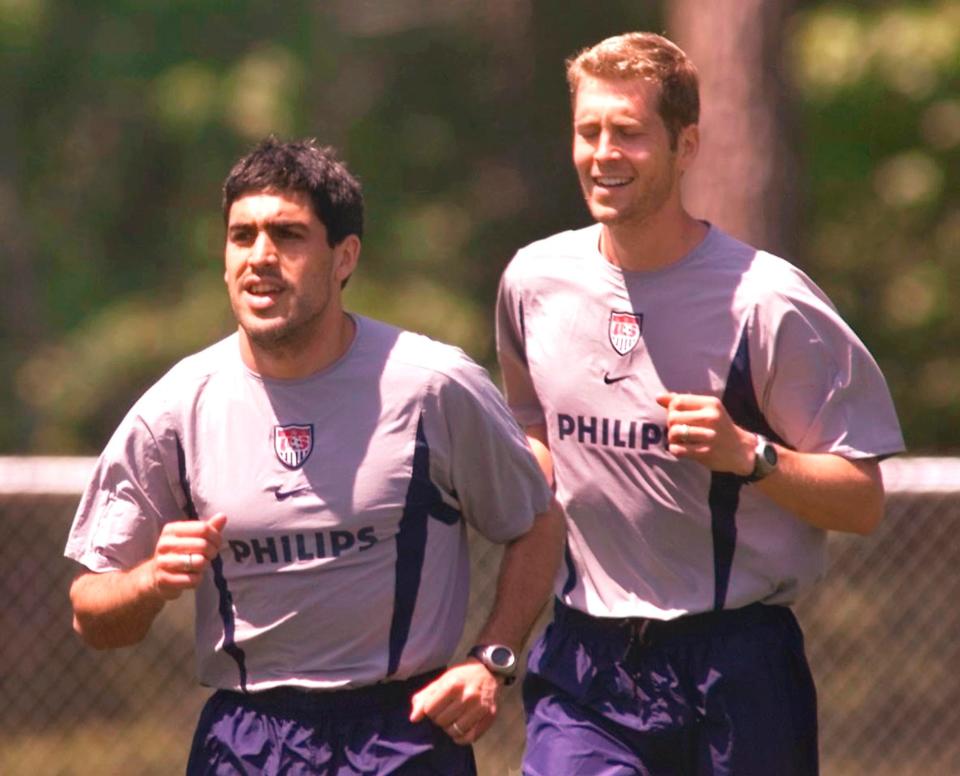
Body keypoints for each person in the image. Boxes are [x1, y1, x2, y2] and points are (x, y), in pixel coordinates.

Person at [65, 136, 565, 775]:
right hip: (245, 739)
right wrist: (150, 581)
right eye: (242, 236)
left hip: (402, 734)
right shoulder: (176, 407)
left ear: (343, 257)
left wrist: (492, 659)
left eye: (288, 235)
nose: (261, 258)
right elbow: (92, 612)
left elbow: (539, 518)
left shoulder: (432, 385)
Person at [495, 32, 904, 776]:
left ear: (687, 145)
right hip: (587, 661)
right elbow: (532, 419)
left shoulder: (768, 303)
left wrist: (749, 456)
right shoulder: (533, 282)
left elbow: (862, 501)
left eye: (628, 132)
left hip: (736, 664)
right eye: (589, 131)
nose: (602, 153)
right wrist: (529, 467)